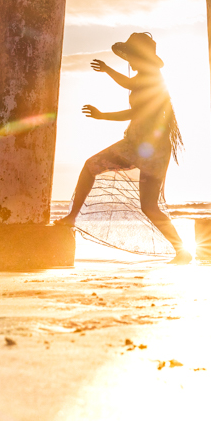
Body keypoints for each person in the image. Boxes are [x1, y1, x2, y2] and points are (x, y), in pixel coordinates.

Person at [57, 32, 190, 264]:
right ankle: (182, 251)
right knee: (148, 206)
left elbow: (129, 85)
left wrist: (108, 70)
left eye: (132, 57)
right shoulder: (148, 79)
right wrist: (102, 116)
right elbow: (134, 112)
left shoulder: (151, 77)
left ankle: (72, 217)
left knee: (91, 167)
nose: (129, 62)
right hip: (149, 148)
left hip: (144, 147)